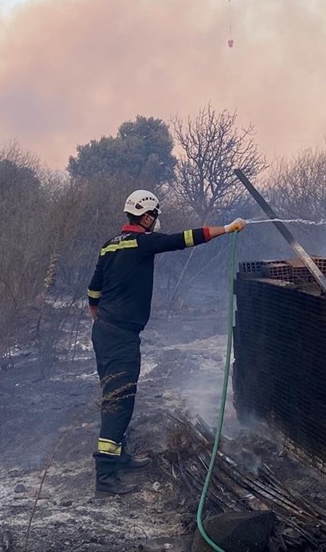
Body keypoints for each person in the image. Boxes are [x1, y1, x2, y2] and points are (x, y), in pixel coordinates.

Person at [86, 189, 247, 496]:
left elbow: (93, 291)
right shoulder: (143, 242)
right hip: (119, 336)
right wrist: (226, 229)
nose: (156, 221)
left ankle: (118, 456)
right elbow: (185, 238)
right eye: (155, 215)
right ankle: (104, 476)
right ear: (146, 216)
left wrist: (100, 319)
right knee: (119, 399)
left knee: (117, 394)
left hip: (107, 332)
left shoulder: (108, 247)